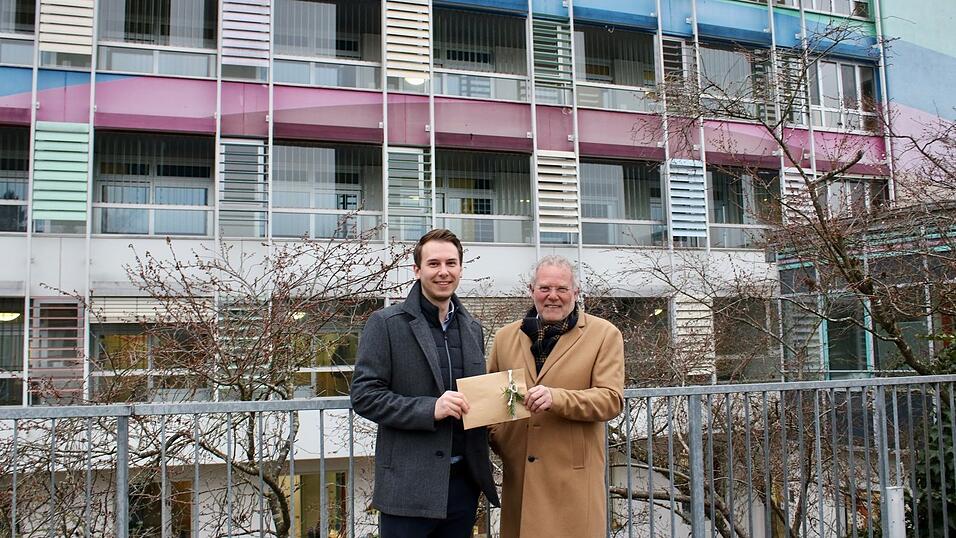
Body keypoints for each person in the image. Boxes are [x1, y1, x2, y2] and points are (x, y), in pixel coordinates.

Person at [351, 229, 499, 538]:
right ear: (417, 270)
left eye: (451, 263)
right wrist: (431, 408)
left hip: (462, 487)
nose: (443, 272)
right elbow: (364, 396)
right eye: (433, 264)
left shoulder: (473, 328)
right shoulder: (385, 324)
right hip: (408, 490)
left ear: (460, 268)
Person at [488, 255, 624, 538]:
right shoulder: (505, 337)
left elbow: (611, 399)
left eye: (562, 289)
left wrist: (557, 398)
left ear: (576, 292)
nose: (553, 296)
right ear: (531, 291)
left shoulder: (604, 335)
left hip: (573, 482)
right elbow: (492, 403)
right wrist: (503, 443)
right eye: (544, 288)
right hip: (520, 477)